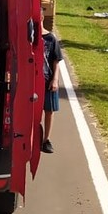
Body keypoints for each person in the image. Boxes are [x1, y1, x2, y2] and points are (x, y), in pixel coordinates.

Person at [41, 16, 63, 154]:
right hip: (33, 82)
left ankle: (46, 139)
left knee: (49, 111)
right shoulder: (29, 38)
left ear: (42, 18)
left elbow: (56, 62)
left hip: (47, 80)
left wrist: (55, 80)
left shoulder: (51, 38)